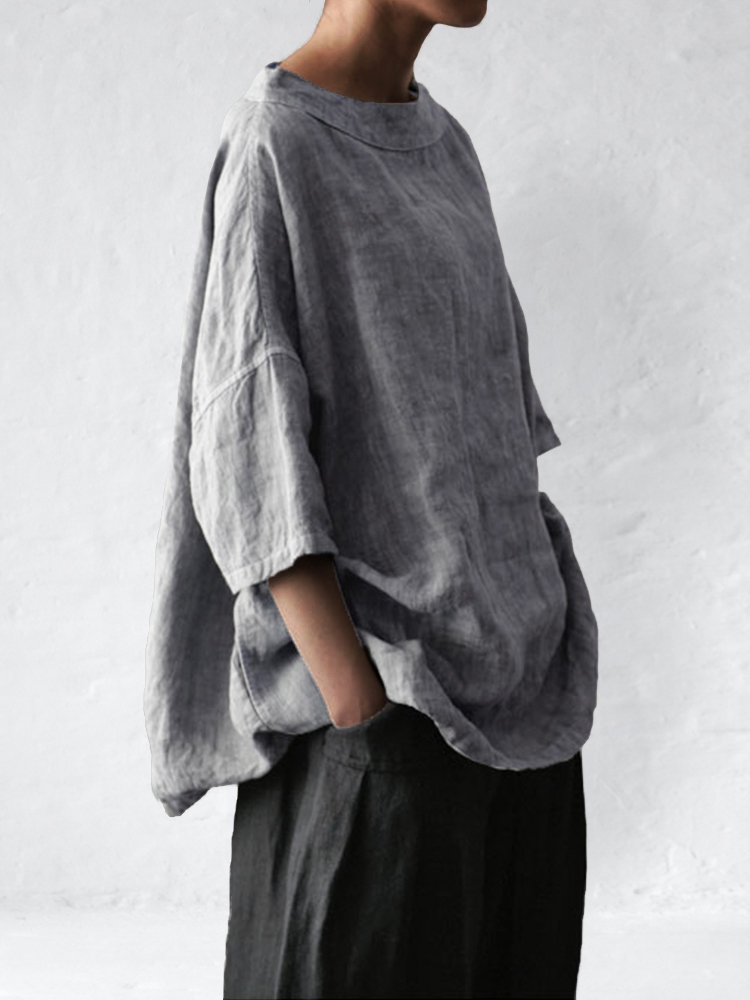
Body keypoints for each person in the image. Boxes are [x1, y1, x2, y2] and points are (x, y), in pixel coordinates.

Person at [143, 1, 599, 997]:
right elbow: (245, 450)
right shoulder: (277, 142)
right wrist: (359, 702)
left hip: (525, 719)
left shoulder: (448, 146)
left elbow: (491, 417)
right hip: (383, 731)